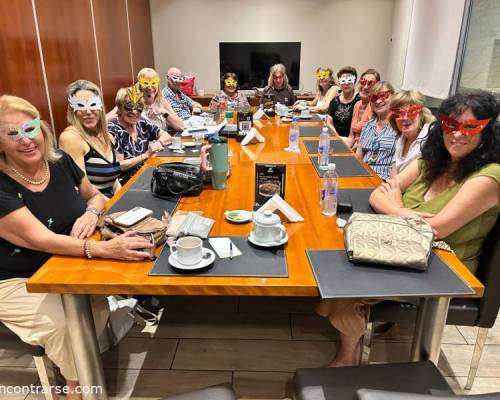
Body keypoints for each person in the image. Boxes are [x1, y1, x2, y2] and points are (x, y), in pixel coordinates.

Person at [317, 91, 500, 368]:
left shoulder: (489, 176)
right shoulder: (430, 162)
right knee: (342, 263)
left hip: (444, 266)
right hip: (402, 247)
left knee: (349, 280)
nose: (457, 134)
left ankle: (347, 357)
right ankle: (353, 343)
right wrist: (403, 211)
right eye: (451, 125)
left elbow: (436, 229)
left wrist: (397, 204)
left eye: (470, 127)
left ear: (487, 131)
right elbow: (376, 195)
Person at [0, 95, 154, 399]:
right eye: (12, 133)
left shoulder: (59, 161)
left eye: (30, 128)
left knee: (94, 305)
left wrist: (91, 213)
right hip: (16, 279)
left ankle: (74, 380)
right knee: (65, 325)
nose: (25, 140)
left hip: (64, 263)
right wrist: (102, 249)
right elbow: (39, 239)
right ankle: (78, 390)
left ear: (41, 128)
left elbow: (94, 196)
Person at [59, 80, 122, 199]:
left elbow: (114, 181)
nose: (88, 112)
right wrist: (113, 204)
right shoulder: (70, 138)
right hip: (93, 204)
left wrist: (122, 197)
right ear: (73, 110)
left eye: (93, 105)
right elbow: (83, 189)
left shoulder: (107, 136)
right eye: (81, 106)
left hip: (113, 200)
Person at [107, 86, 172, 184]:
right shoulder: (113, 129)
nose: (134, 112)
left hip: (148, 173)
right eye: (129, 106)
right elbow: (119, 166)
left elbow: (167, 136)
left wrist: (158, 143)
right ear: (119, 108)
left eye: (139, 107)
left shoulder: (141, 121)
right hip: (128, 182)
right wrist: (146, 155)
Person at [355, 81, 397, 181]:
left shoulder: (398, 126)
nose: (378, 101)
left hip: (383, 179)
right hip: (363, 175)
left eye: (383, 96)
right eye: (374, 98)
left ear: (393, 97)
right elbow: (359, 155)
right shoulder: (368, 125)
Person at [389, 89, 435, 173]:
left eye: (411, 111)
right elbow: (394, 173)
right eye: (398, 113)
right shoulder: (401, 138)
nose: (404, 118)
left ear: (421, 114)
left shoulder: (430, 138)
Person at [137, 67, 184, 132]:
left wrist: (163, 112)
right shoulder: (136, 105)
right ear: (140, 86)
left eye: (153, 83)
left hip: (165, 138)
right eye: (145, 83)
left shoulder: (161, 101)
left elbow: (181, 126)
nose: (150, 87)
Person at [346, 69, 381, 149]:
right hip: (355, 150)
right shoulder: (357, 105)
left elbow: (371, 142)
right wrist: (342, 152)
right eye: (363, 82)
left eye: (371, 84)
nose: (365, 87)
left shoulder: (376, 107)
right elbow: (351, 137)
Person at [327, 66, 361, 137]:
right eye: (343, 80)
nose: (346, 83)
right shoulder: (334, 101)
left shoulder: (359, 100)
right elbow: (329, 122)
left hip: (352, 139)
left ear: (354, 81)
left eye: (349, 80)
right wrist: (337, 138)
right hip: (335, 137)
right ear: (339, 82)